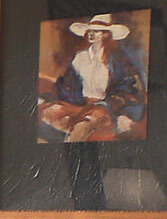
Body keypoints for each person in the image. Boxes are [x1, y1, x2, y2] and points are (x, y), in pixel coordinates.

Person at [39, 13, 145, 142]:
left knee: (85, 124)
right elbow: (65, 84)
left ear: (106, 35)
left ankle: (74, 143)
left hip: (105, 107)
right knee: (50, 112)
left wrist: (111, 105)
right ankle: (73, 129)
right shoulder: (80, 58)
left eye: (97, 31)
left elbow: (129, 88)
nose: (91, 34)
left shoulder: (118, 61)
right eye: (90, 30)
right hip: (79, 105)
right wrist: (50, 98)